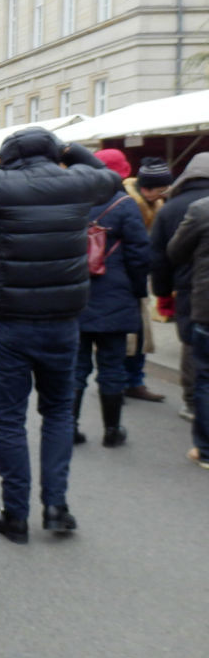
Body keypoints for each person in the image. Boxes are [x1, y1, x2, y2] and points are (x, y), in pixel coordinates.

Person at [0, 127, 119, 544]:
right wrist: (73, 150)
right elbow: (111, 178)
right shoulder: (76, 181)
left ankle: (15, 515)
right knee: (59, 414)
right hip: (64, 322)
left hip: (11, 321)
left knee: (10, 420)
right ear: (55, 153)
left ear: (7, 156)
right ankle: (55, 507)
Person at [72, 149, 151, 448]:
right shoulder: (125, 205)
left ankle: (69, 428)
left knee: (76, 368)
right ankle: (112, 430)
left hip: (76, 296)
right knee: (112, 367)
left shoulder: (74, 202)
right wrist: (137, 291)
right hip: (116, 297)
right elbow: (139, 255)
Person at [151, 153, 209, 423]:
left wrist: (162, 290)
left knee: (192, 344)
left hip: (190, 287)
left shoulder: (172, 207)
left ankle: (192, 402)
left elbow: (163, 254)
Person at [121, 157, 174, 402]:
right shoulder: (128, 205)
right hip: (121, 280)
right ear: (146, 188)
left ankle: (133, 381)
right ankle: (117, 382)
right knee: (123, 334)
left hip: (141, 279)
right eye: (160, 190)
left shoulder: (157, 206)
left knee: (140, 334)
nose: (162, 194)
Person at [166, 195, 209, 471]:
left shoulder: (202, 209)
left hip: (207, 306)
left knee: (205, 376)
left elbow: (175, 252)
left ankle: (206, 450)